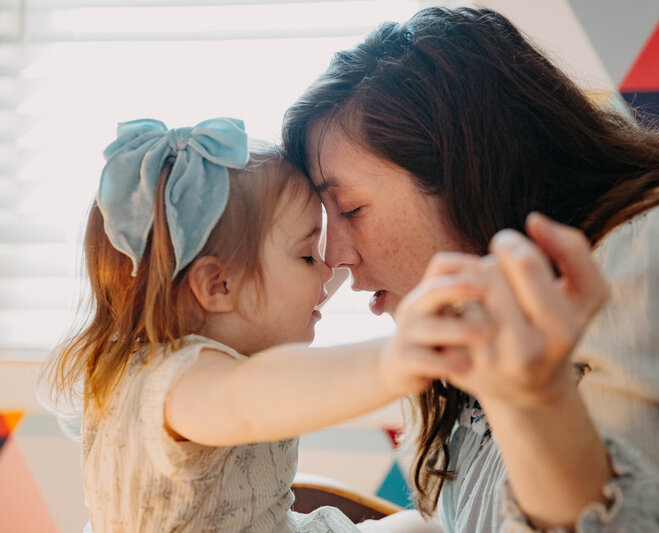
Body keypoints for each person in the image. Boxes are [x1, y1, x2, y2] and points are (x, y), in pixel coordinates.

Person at [281, 6, 659, 532]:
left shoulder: (655, 254)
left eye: (349, 210)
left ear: (466, 172)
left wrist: (535, 405)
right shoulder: (466, 333)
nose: (334, 257)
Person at [40, 117, 485, 532]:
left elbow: (270, 342)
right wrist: (393, 359)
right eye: (307, 255)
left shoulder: (187, 362)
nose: (328, 268)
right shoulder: (178, 384)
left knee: (418, 526)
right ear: (218, 286)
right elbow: (253, 397)